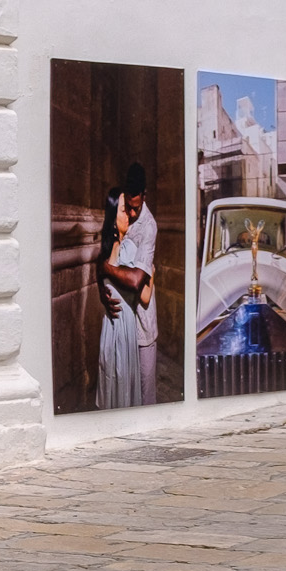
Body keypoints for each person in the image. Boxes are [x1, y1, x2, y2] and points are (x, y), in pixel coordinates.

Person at [97, 163, 158, 407]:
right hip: (121, 326)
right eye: (127, 209)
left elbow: (136, 282)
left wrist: (106, 270)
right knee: (122, 394)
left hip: (141, 325)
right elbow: (106, 257)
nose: (131, 215)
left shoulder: (149, 227)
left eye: (135, 208)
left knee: (144, 397)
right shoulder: (118, 217)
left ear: (144, 195)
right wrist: (103, 286)